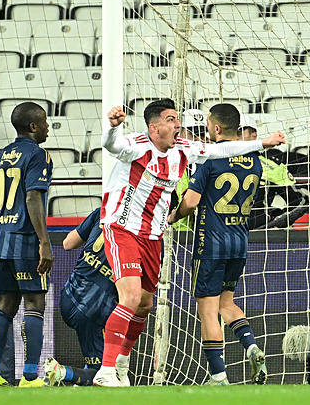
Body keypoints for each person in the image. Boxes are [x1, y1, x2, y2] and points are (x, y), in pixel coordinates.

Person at [94, 99, 285, 386]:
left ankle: (122, 362)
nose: (178, 124)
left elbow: (221, 149)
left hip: (154, 235)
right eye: (171, 120)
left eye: (177, 119)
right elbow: (112, 146)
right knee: (132, 297)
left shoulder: (184, 149)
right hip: (124, 228)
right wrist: (112, 127)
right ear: (154, 127)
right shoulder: (137, 145)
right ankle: (105, 370)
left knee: (145, 304)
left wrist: (263, 144)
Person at [168, 104, 268, 385]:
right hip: (239, 241)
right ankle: (251, 346)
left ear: (216, 128)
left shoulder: (210, 160)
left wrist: (175, 216)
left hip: (210, 243)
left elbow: (191, 200)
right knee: (227, 303)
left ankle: (219, 375)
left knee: (208, 310)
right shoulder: (254, 159)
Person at [0, 101, 53, 388]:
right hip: (25, 240)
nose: (48, 126)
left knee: (6, 304)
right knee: (35, 302)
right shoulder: (38, 154)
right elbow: (33, 198)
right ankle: (31, 376)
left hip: (0, 239)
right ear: (34, 126)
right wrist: (44, 243)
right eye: (45, 121)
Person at [44, 208, 118, 387]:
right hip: (95, 308)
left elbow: (68, 243)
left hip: (69, 295)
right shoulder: (147, 233)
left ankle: (82, 379)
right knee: (103, 373)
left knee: (94, 356)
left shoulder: (104, 211)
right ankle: (61, 371)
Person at [239, 115, 310, 229]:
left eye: (239, 131)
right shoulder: (212, 162)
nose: (233, 137)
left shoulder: (272, 167)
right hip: (217, 235)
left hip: (258, 238)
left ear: (254, 135)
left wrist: (275, 220)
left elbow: (300, 201)